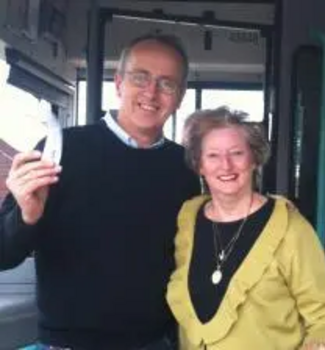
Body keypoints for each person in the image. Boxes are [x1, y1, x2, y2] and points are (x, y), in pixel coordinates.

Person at [0, 34, 200, 350]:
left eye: (166, 83)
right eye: (140, 77)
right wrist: (26, 217)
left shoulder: (186, 168)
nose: (151, 92)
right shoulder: (60, 149)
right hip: (68, 344)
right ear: (119, 84)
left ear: (180, 96)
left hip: (156, 343)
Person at [167, 106, 325, 350]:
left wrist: (321, 344)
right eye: (213, 156)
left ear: (254, 159)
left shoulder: (291, 229)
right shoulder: (188, 220)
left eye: (237, 153)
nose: (226, 165)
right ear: (199, 165)